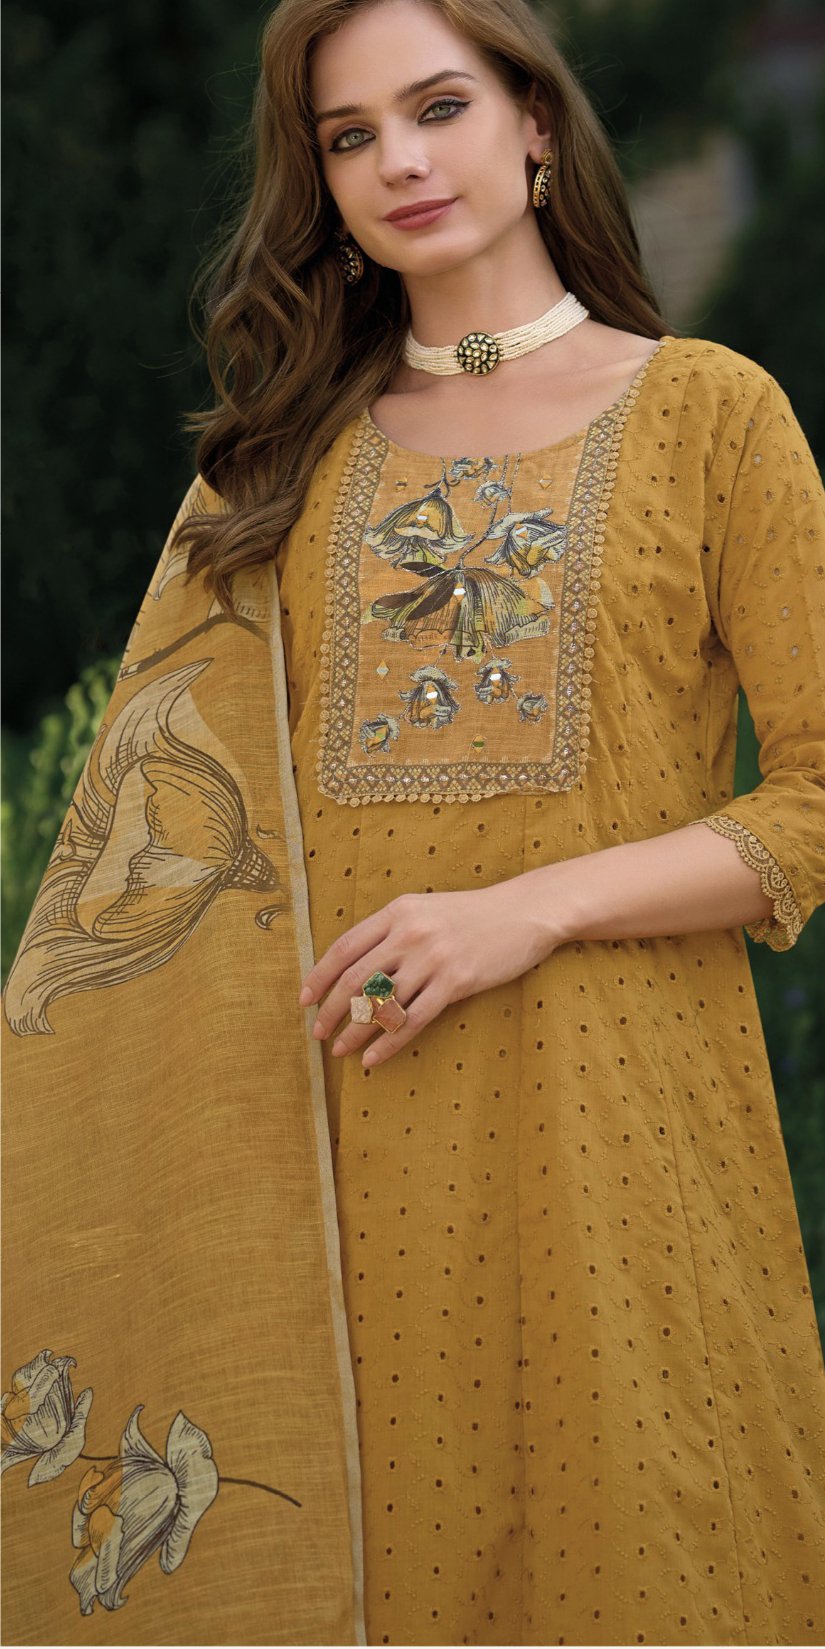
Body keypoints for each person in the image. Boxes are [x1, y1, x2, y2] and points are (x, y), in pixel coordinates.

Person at [2, 0, 824, 1642]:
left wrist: (530, 906)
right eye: (348, 135)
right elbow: (153, 869)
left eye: (437, 107)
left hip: (620, 1139)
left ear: (535, 124)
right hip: (329, 1162)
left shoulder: (711, 414)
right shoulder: (271, 469)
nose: (398, 160)